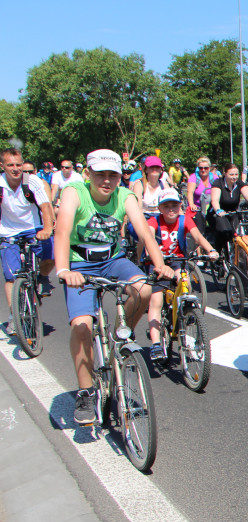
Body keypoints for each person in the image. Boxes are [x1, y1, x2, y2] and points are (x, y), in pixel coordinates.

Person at [52, 149, 173, 425]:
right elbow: (62, 230)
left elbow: (144, 231)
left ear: (121, 176)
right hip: (79, 262)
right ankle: (85, 392)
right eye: (101, 174)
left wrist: (160, 264)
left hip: (112, 259)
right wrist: (63, 270)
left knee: (144, 289)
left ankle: (120, 335)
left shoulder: (125, 195)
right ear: (88, 174)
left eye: (113, 175)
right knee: (81, 325)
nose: (107, 180)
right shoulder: (74, 191)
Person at [144, 189, 218, 360]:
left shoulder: (185, 220)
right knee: (156, 300)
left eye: (175, 205)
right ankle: (156, 343)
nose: (171, 209)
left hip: (177, 260)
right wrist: (153, 257)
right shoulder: (154, 220)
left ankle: (184, 311)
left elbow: (198, 236)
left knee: (184, 281)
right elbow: (147, 235)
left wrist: (211, 250)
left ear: (180, 206)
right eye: (166, 206)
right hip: (157, 263)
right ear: (160, 208)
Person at [1, 148, 56, 333]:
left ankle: (42, 276)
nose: (16, 169)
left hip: (34, 228)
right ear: (2, 166)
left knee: (51, 256)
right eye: (10, 165)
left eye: (18, 164)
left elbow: (45, 206)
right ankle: (14, 316)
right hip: (8, 231)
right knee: (11, 276)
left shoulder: (31, 181)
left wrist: (47, 229)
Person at [210, 163, 248, 251]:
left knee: (236, 234)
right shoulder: (218, 182)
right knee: (225, 232)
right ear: (225, 173)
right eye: (231, 174)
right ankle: (218, 253)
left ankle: (235, 255)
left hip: (233, 212)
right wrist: (218, 210)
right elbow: (215, 200)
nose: (234, 177)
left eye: (236, 174)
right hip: (219, 214)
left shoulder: (238, 183)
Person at [186, 157, 215, 235]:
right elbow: (190, 192)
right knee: (200, 228)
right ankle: (199, 245)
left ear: (209, 168)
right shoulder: (194, 177)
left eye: (206, 168)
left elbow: (219, 191)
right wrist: (191, 204)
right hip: (197, 207)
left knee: (216, 223)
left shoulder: (214, 177)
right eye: (200, 168)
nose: (203, 170)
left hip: (210, 206)